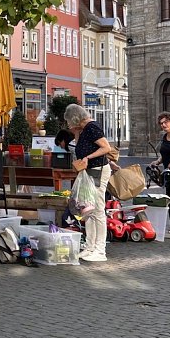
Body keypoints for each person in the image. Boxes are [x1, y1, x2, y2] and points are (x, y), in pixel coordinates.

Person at [65, 103, 112, 262]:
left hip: (97, 171)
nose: (68, 124)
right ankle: (90, 246)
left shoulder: (92, 127)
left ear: (75, 118)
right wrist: (76, 132)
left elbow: (106, 148)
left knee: (98, 210)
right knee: (88, 210)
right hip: (88, 172)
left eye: (69, 121)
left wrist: (88, 157)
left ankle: (100, 250)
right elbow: (79, 148)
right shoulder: (83, 129)